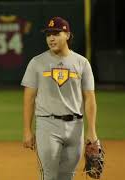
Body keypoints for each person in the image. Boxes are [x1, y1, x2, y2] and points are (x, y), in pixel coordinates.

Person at [21, 16, 99, 180]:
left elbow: (89, 98)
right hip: (47, 125)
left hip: (76, 127)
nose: (51, 38)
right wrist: (27, 130)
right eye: (48, 34)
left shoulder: (82, 63)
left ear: (68, 35)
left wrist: (92, 130)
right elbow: (29, 98)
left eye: (56, 33)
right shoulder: (37, 62)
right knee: (48, 176)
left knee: (67, 176)